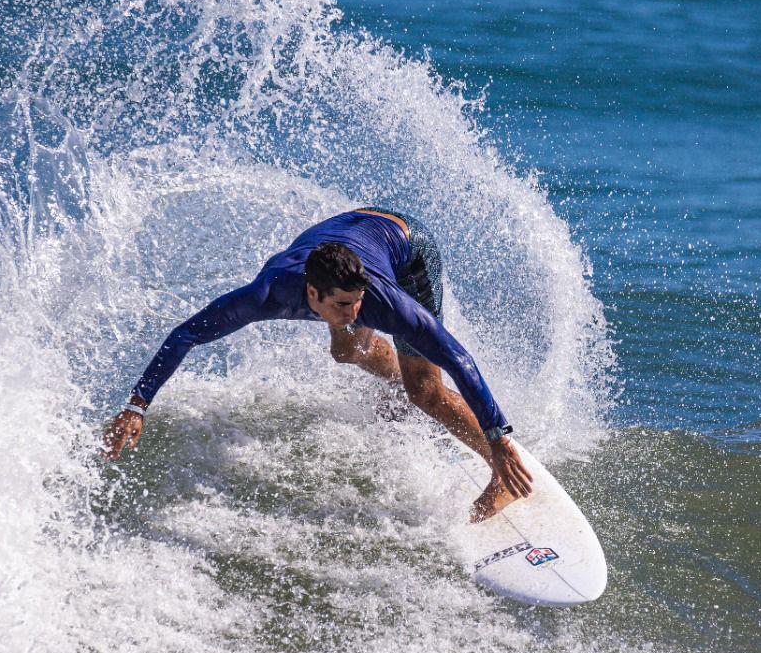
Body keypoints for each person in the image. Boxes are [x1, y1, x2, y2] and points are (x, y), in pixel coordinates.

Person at [101, 207, 532, 521]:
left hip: (406, 247)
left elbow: (459, 359)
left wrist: (498, 434)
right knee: (346, 350)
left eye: (359, 301)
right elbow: (187, 334)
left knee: (425, 392)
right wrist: (137, 405)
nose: (356, 311)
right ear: (312, 296)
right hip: (350, 233)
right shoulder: (266, 295)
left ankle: (499, 472)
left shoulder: (381, 301)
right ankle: (394, 383)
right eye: (344, 305)